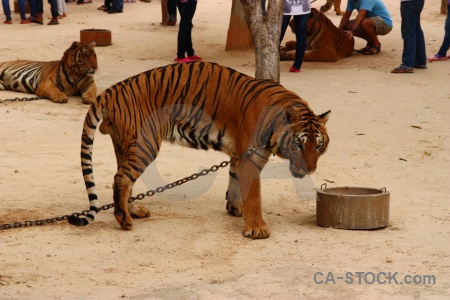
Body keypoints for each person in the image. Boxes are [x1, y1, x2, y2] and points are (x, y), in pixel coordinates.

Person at [391, 0, 426, 73]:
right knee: (416, 29)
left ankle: (407, 64)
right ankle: (420, 60)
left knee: (408, 31)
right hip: (418, 2)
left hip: (408, 2)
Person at [279, 0, 311, 73]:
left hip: (285, 7)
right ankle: (297, 66)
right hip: (303, 7)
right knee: (301, 37)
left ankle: (270, 61)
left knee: (278, 35)